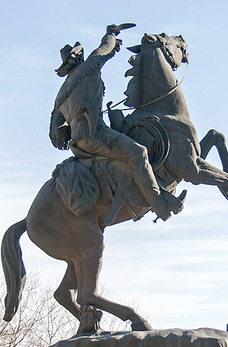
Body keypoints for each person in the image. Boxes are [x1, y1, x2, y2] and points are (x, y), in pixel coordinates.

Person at [50, 23, 182, 221]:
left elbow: (56, 136)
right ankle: (159, 205)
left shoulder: (60, 95)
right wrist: (111, 34)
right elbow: (105, 50)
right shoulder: (88, 67)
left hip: (79, 145)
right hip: (97, 135)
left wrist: (72, 121)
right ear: (78, 58)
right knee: (139, 153)